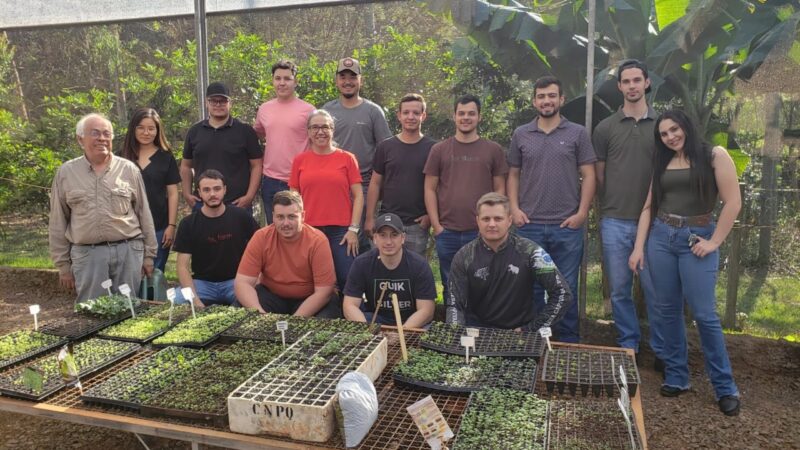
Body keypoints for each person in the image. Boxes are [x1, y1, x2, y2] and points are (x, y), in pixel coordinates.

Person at [628, 109, 741, 416]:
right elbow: (648, 207)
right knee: (666, 310)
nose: (671, 137)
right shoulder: (662, 161)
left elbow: (733, 201)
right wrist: (639, 248)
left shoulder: (714, 155)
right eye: (664, 134)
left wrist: (715, 241)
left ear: (686, 127)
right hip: (662, 238)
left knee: (705, 315)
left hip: (697, 240)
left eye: (675, 130)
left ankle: (725, 387)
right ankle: (678, 377)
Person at [507, 76, 596, 343]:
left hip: (565, 226)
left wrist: (582, 213)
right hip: (529, 224)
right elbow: (513, 174)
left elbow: (589, 175)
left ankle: (566, 340)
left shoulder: (577, 133)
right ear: (534, 101)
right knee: (530, 286)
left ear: (561, 99)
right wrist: (514, 209)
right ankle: (533, 340)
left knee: (564, 287)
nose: (547, 101)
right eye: (541, 96)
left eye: (552, 96)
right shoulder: (521, 134)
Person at [592, 60, 662, 362]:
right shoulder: (606, 128)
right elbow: (600, 174)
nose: (632, 86)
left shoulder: (663, 126)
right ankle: (628, 345)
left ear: (646, 83)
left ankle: (662, 350)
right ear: (619, 87)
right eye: (626, 81)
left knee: (656, 290)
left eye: (637, 80)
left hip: (656, 222)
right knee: (619, 290)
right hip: (615, 220)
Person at [49, 113, 157, 302]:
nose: (102, 139)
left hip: (128, 252)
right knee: (92, 313)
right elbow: (58, 221)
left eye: (107, 134)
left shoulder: (129, 169)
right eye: (95, 133)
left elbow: (144, 214)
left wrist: (148, 256)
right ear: (80, 139)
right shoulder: (66, 172)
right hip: (88, 256)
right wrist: (63, 265)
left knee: (128, 310)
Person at [424, 94, 508, 301]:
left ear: (479, 117)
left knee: (484, 284)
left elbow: (500, 189)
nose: (466, 117)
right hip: (448, 232)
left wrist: (493, 224)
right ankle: (455, 328)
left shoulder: (493, 150)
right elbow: (429, 189)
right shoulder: (439, 150)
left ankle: (481, 330)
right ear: (454, 116)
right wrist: (437, 225)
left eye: (471, 113)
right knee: (451, 285)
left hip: (482, 233)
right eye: (461, 113)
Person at [446, 193, 572, 331]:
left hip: (519, 331)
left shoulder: (531, 252)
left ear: (509, 220)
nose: (492, 224)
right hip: (477, 331)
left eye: (498, 218)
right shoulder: (463, 256)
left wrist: (531, 329)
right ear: (477, 221)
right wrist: (455, 335)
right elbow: (455, 304)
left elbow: (562, 293)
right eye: (486, 219)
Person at [323, 57, 393, 251]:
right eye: (343, 77)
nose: (348, 81)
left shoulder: (373, 111)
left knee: (359, 236)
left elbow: (385, 151)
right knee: (333, 237)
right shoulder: (326, 111)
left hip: (363, 183)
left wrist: (381, 187)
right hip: (333, 183)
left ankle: (360, 279)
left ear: (360, 80)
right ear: (336, 80)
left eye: (352, 77)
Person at [235, 190, 340, 317]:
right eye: (280, 217)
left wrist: (295, 320)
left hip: (309, 298)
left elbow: (324, 292)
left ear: (303, 216)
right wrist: (259, 314)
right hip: (272, 296)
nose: (286, 223)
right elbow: (243, 283)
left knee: (325, 318)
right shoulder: (261, 237)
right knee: (240, 310)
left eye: (292, 217)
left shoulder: (317, 241)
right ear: (273, 217)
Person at [289, 109, 363, 290]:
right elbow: (293, 198)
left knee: (348, 280)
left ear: (333, 130)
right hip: (309, 231)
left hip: (341, 233)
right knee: (310, 282)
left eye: (325, 127)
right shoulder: (300, 160)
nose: (320, 132)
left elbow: (359, 195)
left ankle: (352, 317)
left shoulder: (347, 158)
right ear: (308, 132)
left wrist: (353, 229)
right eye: (315, 127)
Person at [172, 170, 259, 307]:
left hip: (236, 281)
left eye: (217, 189)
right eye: (206, 190)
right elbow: (182, 266)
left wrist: (257, 279)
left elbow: (261, 250)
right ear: (199, 193)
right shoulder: (188, 223)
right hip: (202, 284)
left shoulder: (241, 216)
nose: (212, 194)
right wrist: (195, 301)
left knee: (260, 299)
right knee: (175, 301)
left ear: (224, 190)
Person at [365, 93, 437, 256]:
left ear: (423, 116)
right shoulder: (385, 147)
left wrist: (430, 216)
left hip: (417, 225)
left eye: (416, 113)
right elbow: (375, 183)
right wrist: (370, 218)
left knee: (413, 273)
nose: (410, 117)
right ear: (399, 115)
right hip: (386, 223)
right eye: (406, 112)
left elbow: (439, 187)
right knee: (382, 272)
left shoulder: (433, 148)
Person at [343, 213, 436, 328]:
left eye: (394, 235)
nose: (388, 242)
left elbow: (426, 310)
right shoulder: (361, 263)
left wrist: (401, 332)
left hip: (411, 321)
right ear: (375, 238)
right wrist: (367, 330)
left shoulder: (419, 265)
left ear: (403, 238)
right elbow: (349, 305)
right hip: (375, 320)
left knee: (428, 331)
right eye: (383, 235)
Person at [180, 82, 262, 210]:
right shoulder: (194, 132)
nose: (218, 104)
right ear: (206, 103)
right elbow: (186, 166)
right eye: (213, 101)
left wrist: (250, 196)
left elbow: (257, 165)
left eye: (223, 101)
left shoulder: (245, 131)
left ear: (230, 103)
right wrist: (186, 194)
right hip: (203, 204)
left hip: (238, 204)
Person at [254, 60, 315, 224]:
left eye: (287, 79)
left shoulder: (309, 110)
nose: (282, 83)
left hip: (300, 179)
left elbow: (318, 142)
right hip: (270, 180)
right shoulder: (264, 109)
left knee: (301, 227)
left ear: (296, 81)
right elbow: (258, 134)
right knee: (275, 229)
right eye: (278, 78)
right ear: (272, 81)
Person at [120, 108, 180, 273]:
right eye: (141, 127)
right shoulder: (121, 157)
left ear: (157, 130)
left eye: (151, 128)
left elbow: (173, 193)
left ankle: (151, 300)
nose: (146, 132)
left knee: (153, 273)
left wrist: (171, 225)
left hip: (159, 227)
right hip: (126, 227)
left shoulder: (166, 157)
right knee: (129, 274)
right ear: (133, 129)